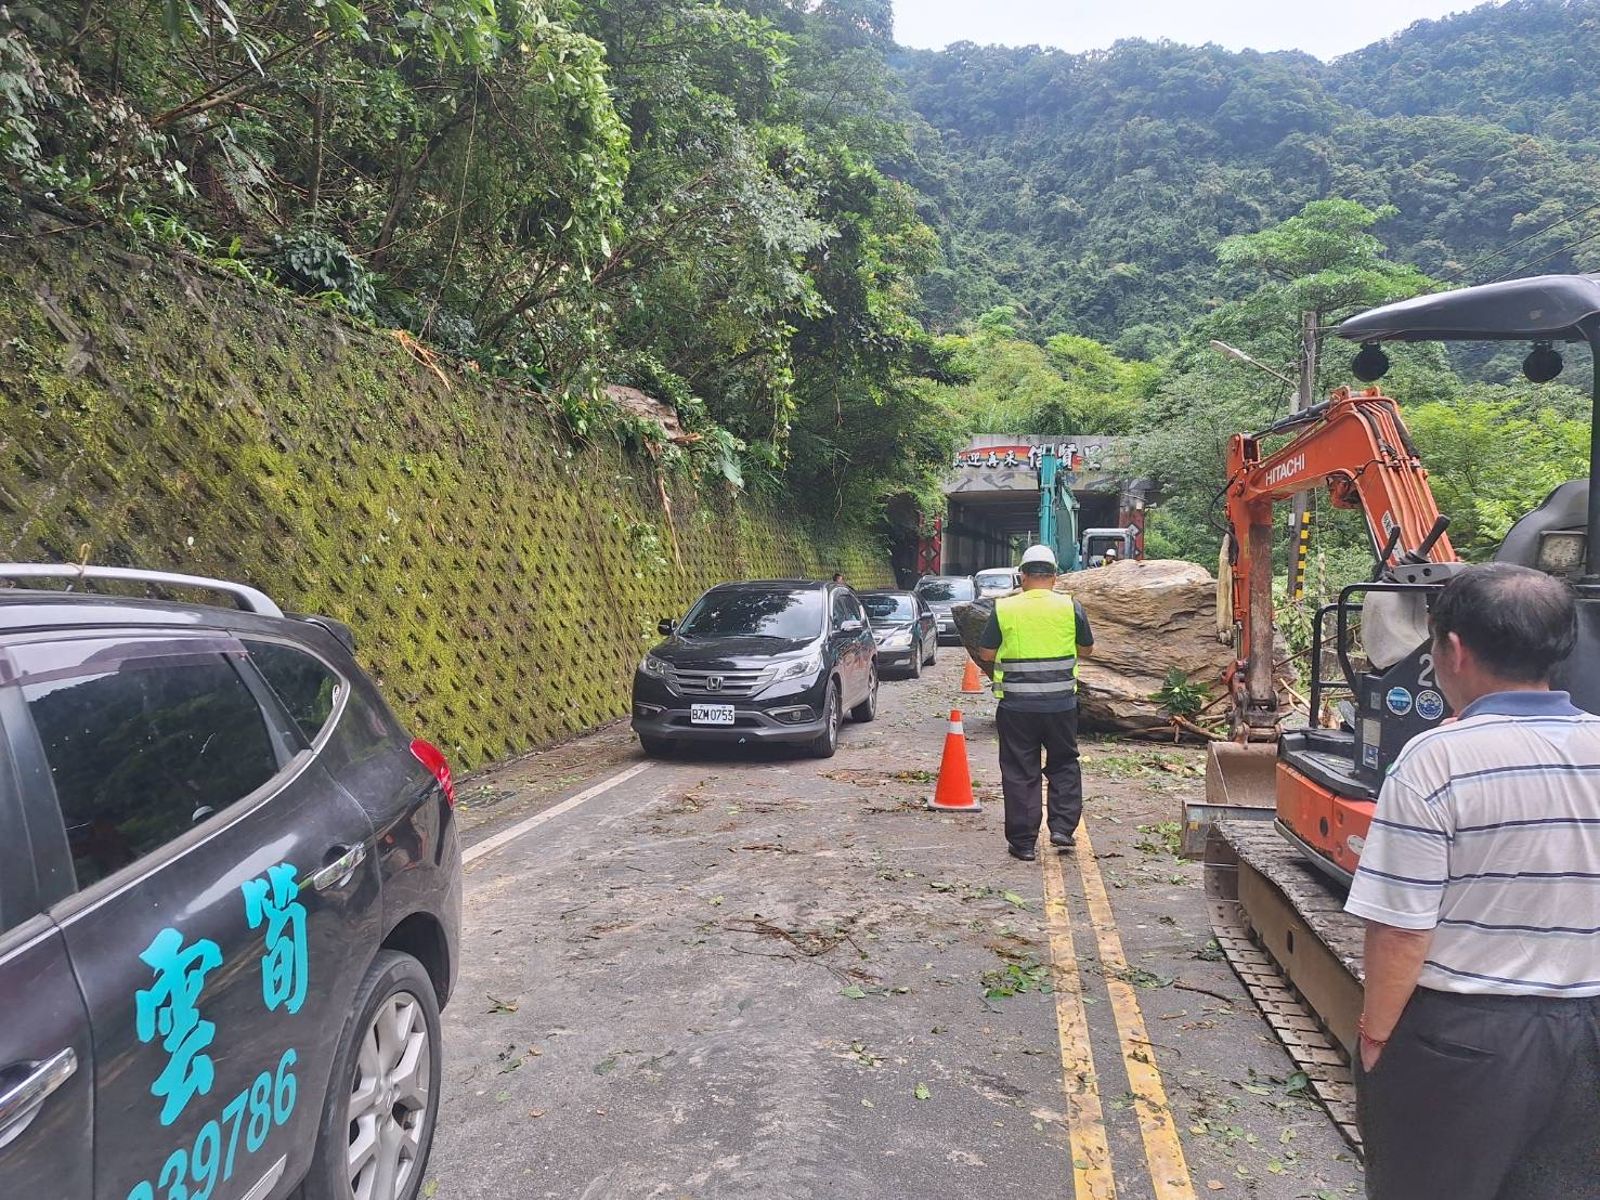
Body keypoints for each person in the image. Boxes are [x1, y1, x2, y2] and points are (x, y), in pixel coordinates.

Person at [1344, 562, 1600, 1200]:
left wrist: (1376, 1036)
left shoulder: (1438, 759)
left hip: (1465, 1040)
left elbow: (1402, 926)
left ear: (1452, 649)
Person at [974, 544, 1094, 861]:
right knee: (1064, 763)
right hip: (1061, 705)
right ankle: (1062, 830)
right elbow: (1087, 649)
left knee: (1019, 771)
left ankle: (1024, 843)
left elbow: (985, 654)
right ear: (1054, 577)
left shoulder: (1004, 609)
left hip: (1016, 707)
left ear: (1023, 576)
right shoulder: (1071, 606)